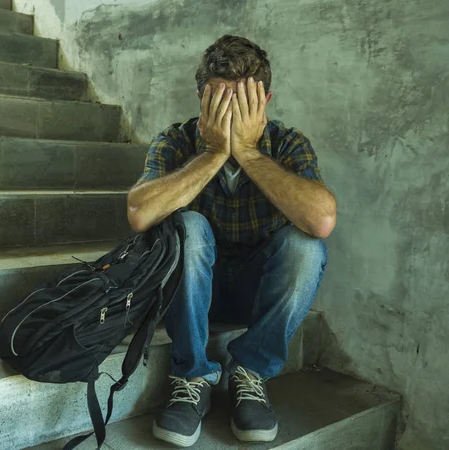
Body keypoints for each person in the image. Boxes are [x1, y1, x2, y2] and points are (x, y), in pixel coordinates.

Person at [127, 35, 337, 447]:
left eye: (241, 103)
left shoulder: (288, 143)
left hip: (253, 291)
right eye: (219, 102)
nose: (229, 114)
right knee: (188, 225)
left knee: (306, 245)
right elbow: (139, 214)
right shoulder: (176, 140)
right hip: (188, 288)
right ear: (201, 98)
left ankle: (250, 371)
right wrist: (213, 153)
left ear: (265, 101)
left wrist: (248, 152)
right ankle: (192, 375)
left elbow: (322, 219)